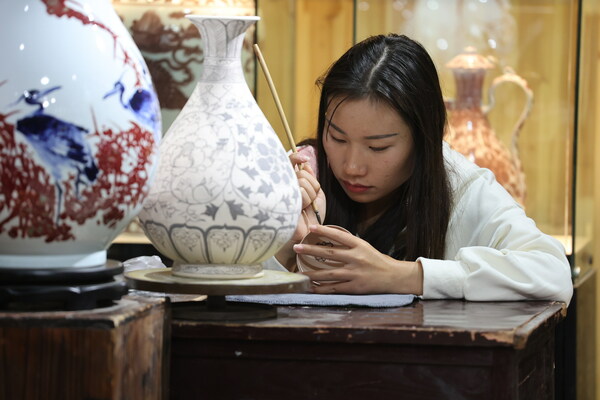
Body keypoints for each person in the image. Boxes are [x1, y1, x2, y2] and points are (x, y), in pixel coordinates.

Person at [271, 34, 573, 304]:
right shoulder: (303, 172)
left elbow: (552, 273)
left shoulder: (459, 184)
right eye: (337, 137)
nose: (351, 166)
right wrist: (283, 245)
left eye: (378, 147)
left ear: (425, 138)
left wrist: (405, 276)